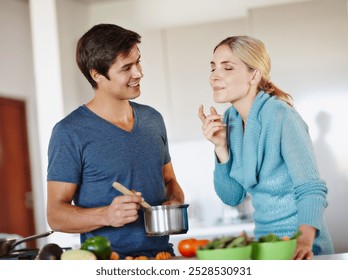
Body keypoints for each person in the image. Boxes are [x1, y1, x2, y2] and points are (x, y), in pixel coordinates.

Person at [46, 23, 185, 259]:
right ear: (96, 74)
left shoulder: (153, 119)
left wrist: (174, 202)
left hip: (163, 258)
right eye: (126, 67)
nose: (139, 72)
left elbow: (170, 181)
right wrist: (106, 216)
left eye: (138, 61)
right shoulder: (69, 132)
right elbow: (55, 215)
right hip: (110, 263)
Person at [198, 36, 334, 260]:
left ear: (254, 75)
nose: (214, 76)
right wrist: (221, 147)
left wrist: (304, 241)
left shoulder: (282, 116)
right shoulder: (231, 120)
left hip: (304, 249)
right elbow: (232, 197)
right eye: (213, 68)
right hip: (267, 247)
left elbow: (310, 188)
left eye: (227, 67)